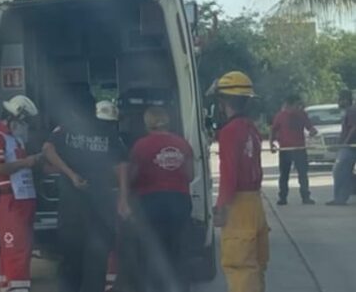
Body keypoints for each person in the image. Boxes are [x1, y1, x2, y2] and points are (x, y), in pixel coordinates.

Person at [43, 96, 129, 292]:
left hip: (71, 206)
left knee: (70, 257)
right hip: (100, 204)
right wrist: (123, 199)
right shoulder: (107, 131)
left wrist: (70, 174)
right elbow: (122, 165)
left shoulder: (66, 129)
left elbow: (47, 149)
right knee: (97, 259)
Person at [0, 95, 44, 292]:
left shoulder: (14, 139)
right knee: (16, 250)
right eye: (24, 122)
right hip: (10, 199)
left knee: (17, 250)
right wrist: (27, 162)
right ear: (14, 118)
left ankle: (8, 286)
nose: (25, 127)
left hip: (23, 199)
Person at [209, 71, 268, 292]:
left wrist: (221, 205)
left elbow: (229, 175)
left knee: (239, 266)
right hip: (255, 203)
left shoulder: (229, 131)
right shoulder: (251, 128)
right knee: (256, 266)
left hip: (239, 205)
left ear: (223, 101)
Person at [126, 106, 195, 292]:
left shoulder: (140, 146)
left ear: (147, 123)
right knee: (179, 253)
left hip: (151, 203)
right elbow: (190, 175)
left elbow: (132, 177)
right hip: (179, 201)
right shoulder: (182, 144)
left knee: (152, 253)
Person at [270, 94, 317, 205]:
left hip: (299, 148)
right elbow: (273, 130)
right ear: (290, 105)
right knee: (284, 175)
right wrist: (272, 144)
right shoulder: (281, 116)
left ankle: (306, 197)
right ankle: (283, 197)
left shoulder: (302, 115)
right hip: (285, 149)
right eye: (297, 104)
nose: (299, 106)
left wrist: (312, 132)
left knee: (303, 174)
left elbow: (310, 128)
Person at [327, 89, 356, 206]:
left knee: (340, 171)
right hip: (348, 146)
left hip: (350, 147)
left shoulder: (352, 111)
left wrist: (345, 143)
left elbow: (353, 128)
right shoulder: (348, 111)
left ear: (345, 100)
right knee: (344, 172)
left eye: (339, 99)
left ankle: (340, 199)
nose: (338, 102)